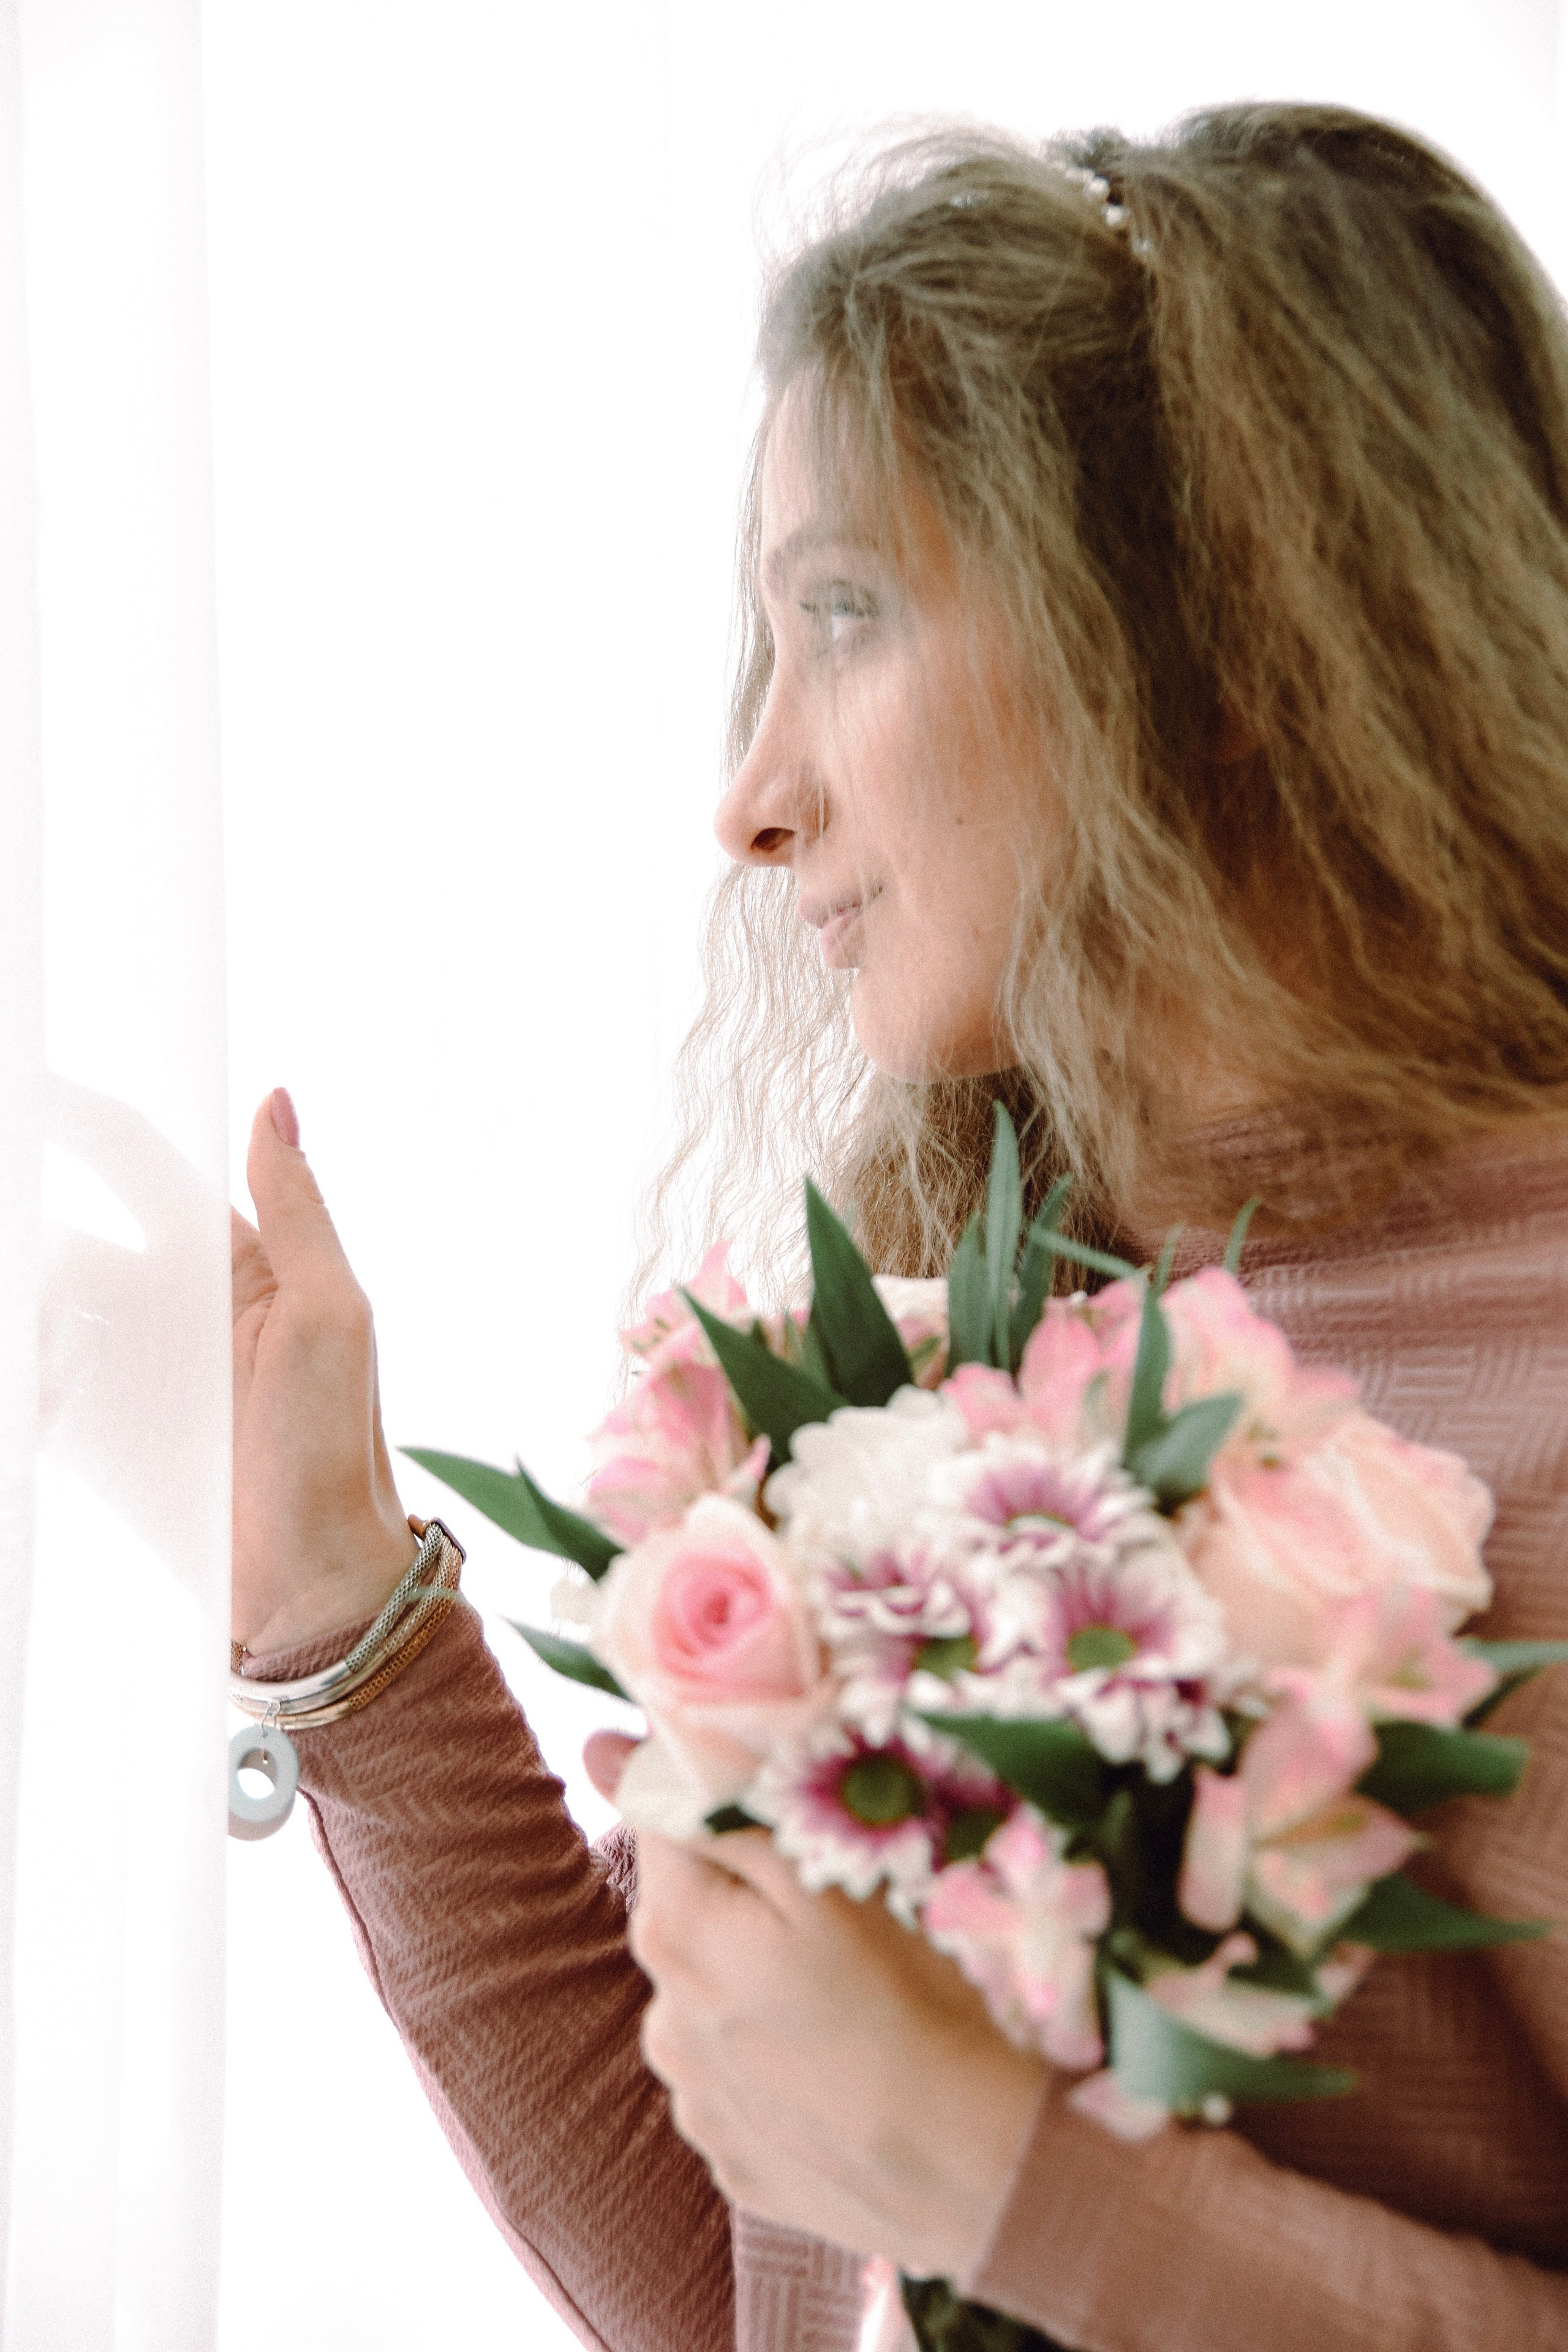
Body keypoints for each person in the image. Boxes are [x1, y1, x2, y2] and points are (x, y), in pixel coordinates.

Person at [229, 103, 1568, 2352]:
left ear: (1214, 643)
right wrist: (339, 1610)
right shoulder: (942, 1357)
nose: (749, 800)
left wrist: (1010, 2176)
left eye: (841, 614)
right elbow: (747, 2267)